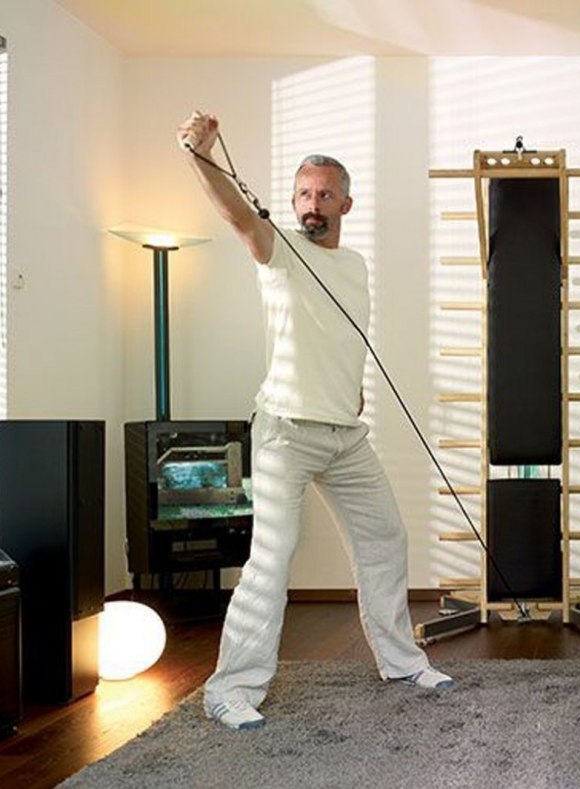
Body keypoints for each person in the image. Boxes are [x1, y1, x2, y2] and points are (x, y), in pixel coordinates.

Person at [177, 110, 453, 732]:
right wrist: (201, 153)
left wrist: (352, 388)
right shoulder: (277, 248)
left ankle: (401, 663)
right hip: (285, 432)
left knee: (385, 538)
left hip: (344, 435)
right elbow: (236, 213)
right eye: (303, 193)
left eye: (325, 194)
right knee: (272, 559)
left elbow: (340, 336)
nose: (312, 203)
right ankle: (231, 689)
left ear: (345, 204)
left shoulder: (353, 265)